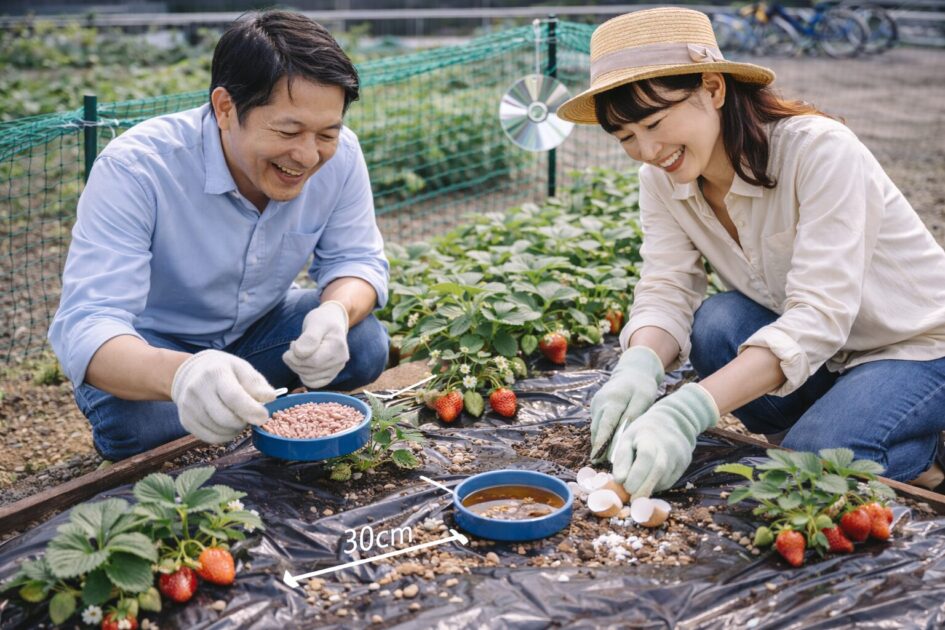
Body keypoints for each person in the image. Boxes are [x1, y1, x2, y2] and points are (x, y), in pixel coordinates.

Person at [557, 8, 945, 498]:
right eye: (627, 138)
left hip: (918, 347)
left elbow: (821, 314)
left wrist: (688, 409)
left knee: (814, 464)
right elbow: (667, 285)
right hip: (825, 353)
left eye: (655, 122)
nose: (649, 150)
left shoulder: (819, 151)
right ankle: (838, 427)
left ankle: (920, 448)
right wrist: (637, 366)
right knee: (717, 322)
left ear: (713, 89)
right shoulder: (659, 180)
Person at [49, 11, 390, 461]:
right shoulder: (137, 168)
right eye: (288, 131)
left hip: (259, 329)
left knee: (363, 342)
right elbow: (88, 324)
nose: (307, 155)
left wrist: (335, 310)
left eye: (326, 133)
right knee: (136, 426)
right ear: (226, 107)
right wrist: (182, 374)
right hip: (155, 350)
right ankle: (234, 394)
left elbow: (357, 260)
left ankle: (240, 396)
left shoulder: (341, 156)